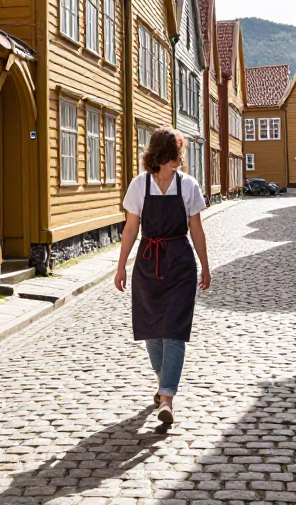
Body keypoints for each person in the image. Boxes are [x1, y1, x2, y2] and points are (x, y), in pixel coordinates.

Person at [114, 129, 211, 426]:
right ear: (166, 154)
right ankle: (162, 380)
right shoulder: (139, 185)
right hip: (148, 262)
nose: (181, 157)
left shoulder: (188, 186)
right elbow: (131, 229)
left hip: (180, 263)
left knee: (175, 329)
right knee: (152, 328)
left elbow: (196, 229)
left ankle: (167, 397)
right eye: (178, 152)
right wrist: (120, 266)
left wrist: (205, 266)